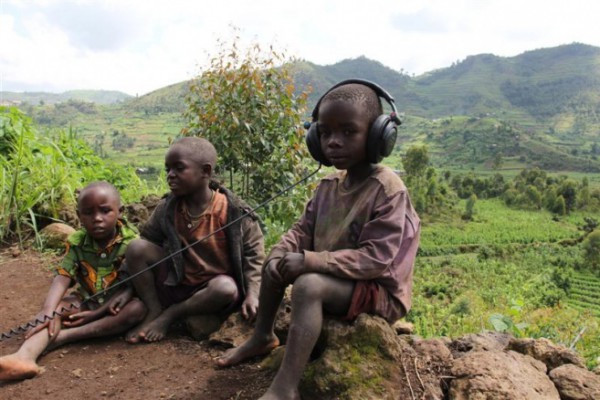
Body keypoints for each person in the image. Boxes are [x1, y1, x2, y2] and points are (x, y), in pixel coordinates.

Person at [217, 80, 421, 400]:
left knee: (309, 284)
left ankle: (285, 388)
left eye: (348, 132)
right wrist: (283, 253)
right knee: (277, 260)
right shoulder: (328, 185)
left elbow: (375, 259)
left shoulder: (388, 189)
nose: (333, 142)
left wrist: (311, 261)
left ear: (379, 135)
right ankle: (262, 336)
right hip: (339, 277)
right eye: (325, 133)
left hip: (379, 290)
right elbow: (302, 231)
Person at [0, 181, 145, 381]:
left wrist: (98, 312)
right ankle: (24, 358)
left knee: (137, 309)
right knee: (58, 310)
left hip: (117, 305)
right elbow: (63, 276)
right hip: (87, 300)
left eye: (105, 211)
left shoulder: (132, 242)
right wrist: (48, 310)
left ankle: (65, 337)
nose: (97, 219)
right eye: (88, 213)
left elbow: (133, 284)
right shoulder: (77, 242)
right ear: (79, 216)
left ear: (120, 212)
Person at [125, 137, 264, 343]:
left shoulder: (234, 211)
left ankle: (170, 314)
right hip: (176, 281)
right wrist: (127, 287)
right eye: (168, 170)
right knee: (136, 247)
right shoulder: (168, 208)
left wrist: (253, 294)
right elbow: (148, 241)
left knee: (226, 289)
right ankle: (154, 309)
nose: (171, 175)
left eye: (179, 168)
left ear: (205, 172)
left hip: (210, 291)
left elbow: (255, 255)